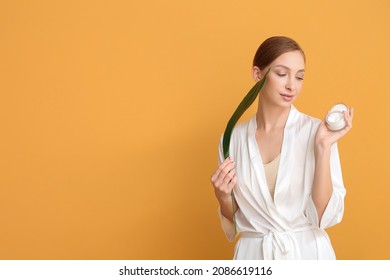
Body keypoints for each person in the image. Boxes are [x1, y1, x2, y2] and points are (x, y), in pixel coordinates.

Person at [210, 36, 354, 260]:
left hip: (307, 256)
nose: (291, 85)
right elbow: (238, 222)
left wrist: (323, 147)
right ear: (258, 74)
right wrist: (222, 197)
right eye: (281, 74)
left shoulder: (316, 132)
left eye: (299, 77)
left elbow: (322, 217)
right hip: (254, 257)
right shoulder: (231, 139)